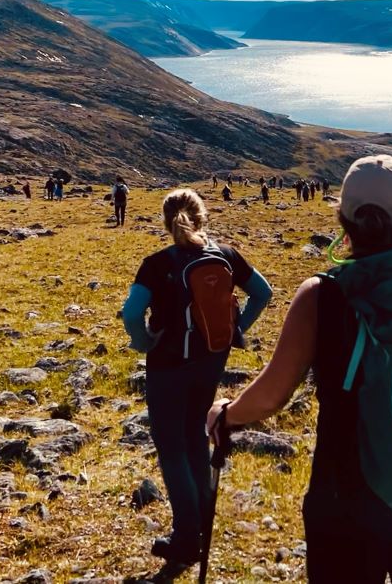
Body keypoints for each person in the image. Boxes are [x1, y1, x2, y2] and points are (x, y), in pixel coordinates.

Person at [206, 156, 392, 584]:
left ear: (342, 218)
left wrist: (226, 413)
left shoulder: (321, 296)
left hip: (345, 499)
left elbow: (272, 394)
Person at [121, 189, 273, 571]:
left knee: (171, 446)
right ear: (202, 216)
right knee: (193, 434)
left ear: (165, 220)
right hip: (211, 357)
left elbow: (131, 313)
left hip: (168, 364)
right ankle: (202, 519)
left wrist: (143, 342)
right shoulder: (226, 255)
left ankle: (187, 537)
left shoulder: (156, 264)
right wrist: (237, 329)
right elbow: (263, 293)